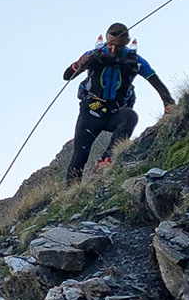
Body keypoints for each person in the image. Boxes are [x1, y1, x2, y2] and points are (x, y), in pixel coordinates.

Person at [63, 22, 175, 183]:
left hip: (115, 112)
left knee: (130, 116)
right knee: (80, 155)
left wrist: (168, 102)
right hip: (91, 111)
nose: (115, 50)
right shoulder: (94, 55)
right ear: (107, 40)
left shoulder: (136, 61)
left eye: (120, 47)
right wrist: (79, 64)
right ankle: (71, 194)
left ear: (127, 42)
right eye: (112, 46)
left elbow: (155, 80)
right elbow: (67, 76)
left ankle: (106, 160)